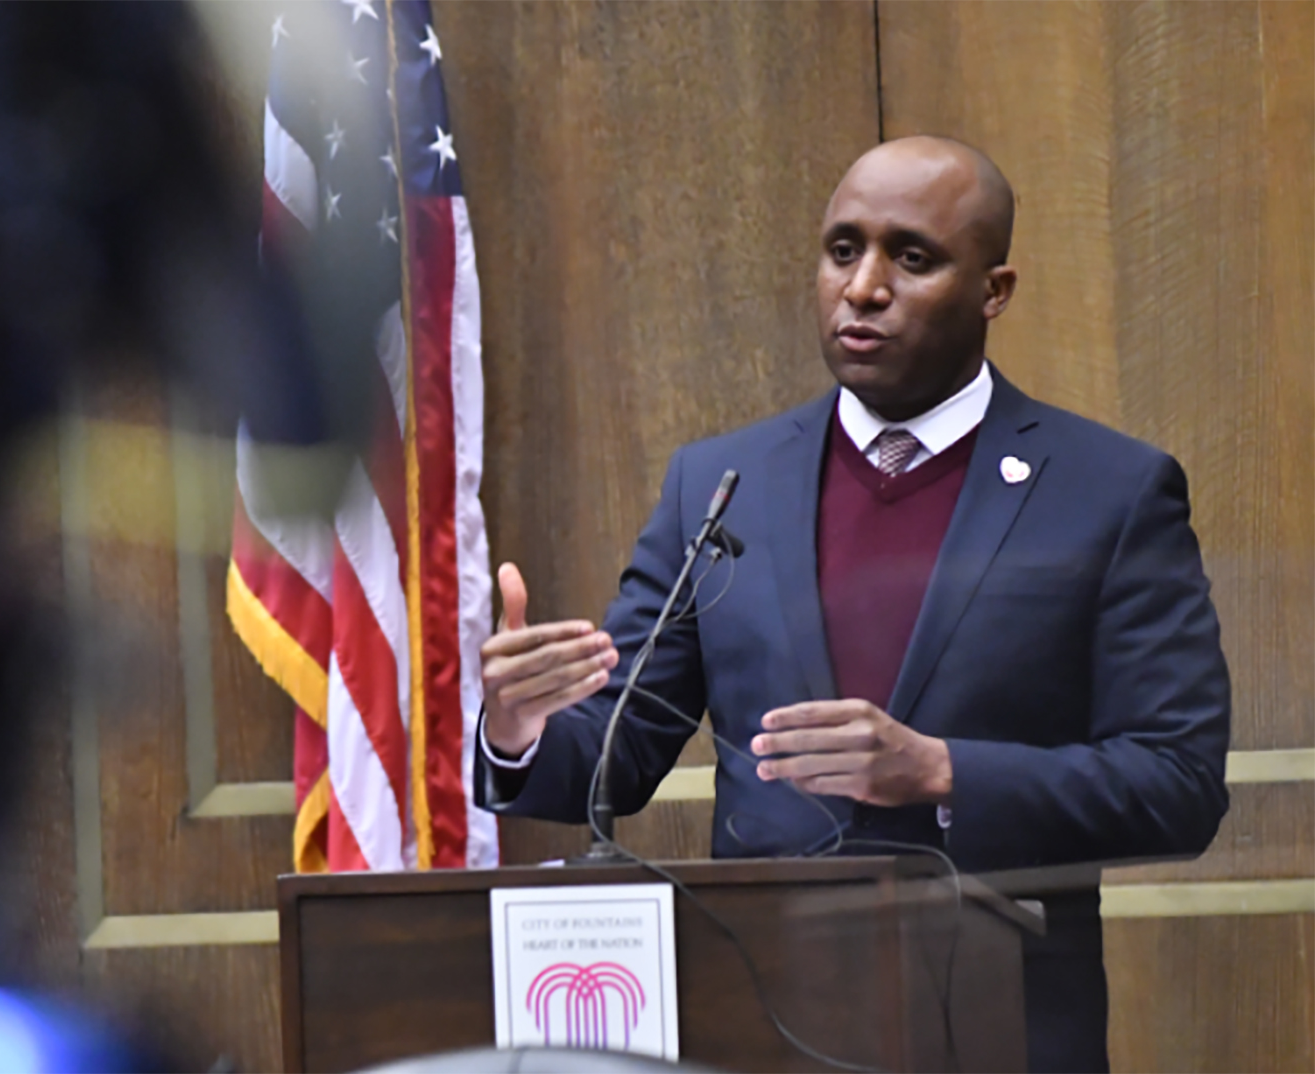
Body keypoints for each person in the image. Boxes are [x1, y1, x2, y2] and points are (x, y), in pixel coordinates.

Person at [474, 136, 1231, 1073]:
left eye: (911, 258)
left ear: (994, 290)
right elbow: (617, 755)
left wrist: (942, 770)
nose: (863, 288)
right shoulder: (721, 483)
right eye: (843, 251)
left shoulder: (1109, 491)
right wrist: (519, 727)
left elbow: (1178, 785)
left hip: (1000, 1025)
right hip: (761, 1021)